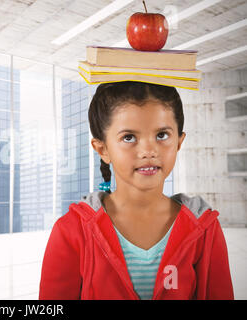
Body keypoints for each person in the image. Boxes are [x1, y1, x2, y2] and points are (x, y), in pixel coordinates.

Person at [39, 81, 234, 300]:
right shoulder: (71, 232)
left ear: (179, 142)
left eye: (162, 135)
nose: (149, 151)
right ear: (103, 149)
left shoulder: (205, 229)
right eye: (129, 137)